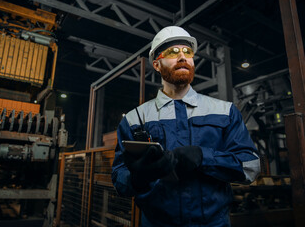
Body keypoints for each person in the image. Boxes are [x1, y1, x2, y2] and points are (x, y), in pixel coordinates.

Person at [111, 26, 260, 226]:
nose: (182, 57)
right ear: (157, 64)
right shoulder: (135, 118)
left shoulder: (225, 112)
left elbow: (250, 166)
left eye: (187, 52)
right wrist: (138, 178)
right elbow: (119, 177)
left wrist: (204, 156)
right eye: (173, 52)